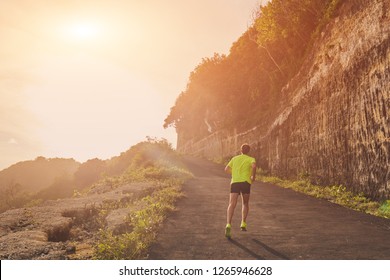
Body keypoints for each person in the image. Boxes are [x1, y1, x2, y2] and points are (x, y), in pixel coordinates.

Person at [224, 143, 256, 239]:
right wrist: (253, 177)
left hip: (235, 182)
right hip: (246, 182)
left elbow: (226, 169)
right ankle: (243, 223)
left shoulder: (234, 158)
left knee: (232, 204)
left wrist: (234, 174)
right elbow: (254, 167)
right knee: (245, 203)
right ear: (248, 151)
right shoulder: (251, 159)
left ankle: (228, 224)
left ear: (240, 150)